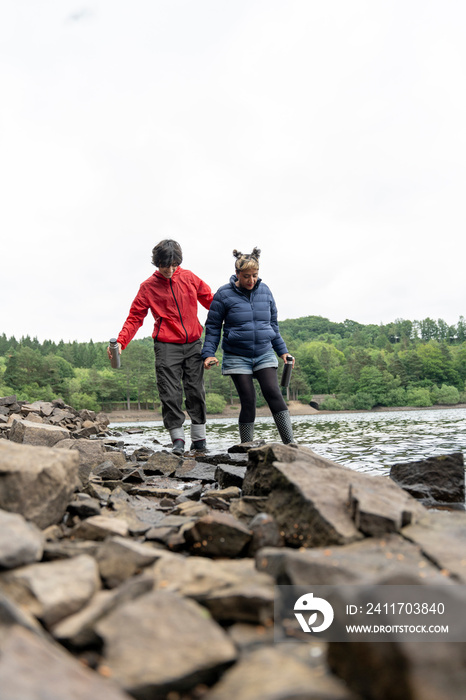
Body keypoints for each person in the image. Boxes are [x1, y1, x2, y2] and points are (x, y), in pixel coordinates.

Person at [108, 240, 213, 455]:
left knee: (196, 390)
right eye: (166, 265)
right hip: (166, 346)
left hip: (194, 343)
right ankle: (178, 441)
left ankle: (199, 440)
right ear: (157, 263)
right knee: (170, 392)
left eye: (175, 264)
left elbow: (212, 301)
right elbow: (135, 317)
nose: (171, 270)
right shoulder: (148, 287)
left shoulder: (190, 278)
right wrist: (121, 342)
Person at [202, 247, 295, 445]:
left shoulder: (265, 291)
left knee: (273, 392)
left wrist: (283, 351)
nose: (251, 280)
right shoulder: (223, 294)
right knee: (248, 400)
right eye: (246, 276)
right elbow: (212, 327)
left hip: (264, 351)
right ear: (237, 274)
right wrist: (208, 354)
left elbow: (272, 326)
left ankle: (290, 443)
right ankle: (246, 447)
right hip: (237, 355)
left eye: (254, 275)